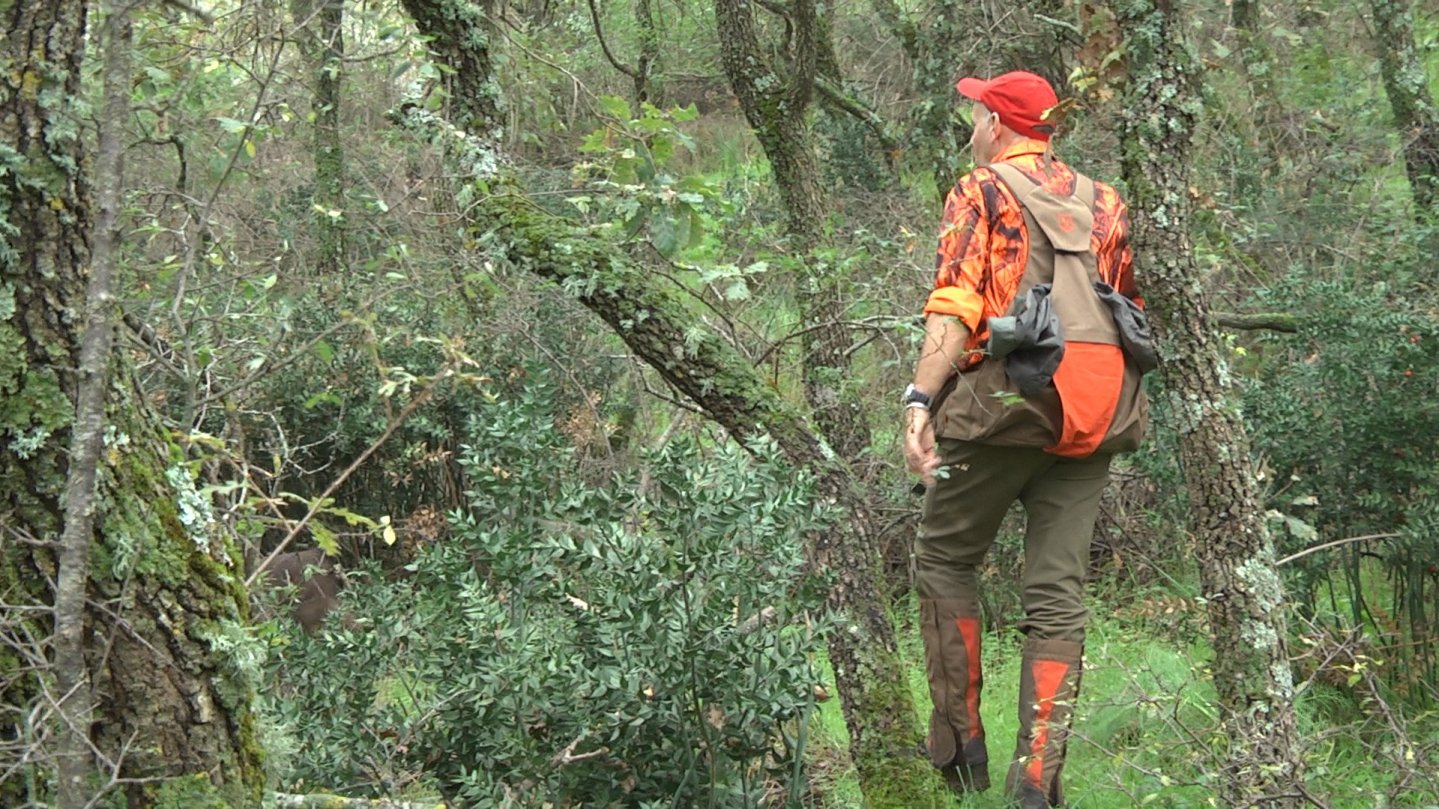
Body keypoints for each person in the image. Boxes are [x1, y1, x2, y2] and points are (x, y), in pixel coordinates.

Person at [900, 70, 1148, 807]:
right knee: (1058, 594)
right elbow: (1121, 299)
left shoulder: (979, 189)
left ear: (999, 125)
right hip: (1096, 410)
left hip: (1004, 408)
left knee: (944, 554)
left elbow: (955, 301)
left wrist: (920, 397)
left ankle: (958, 747)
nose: (970, 123)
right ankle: (1037, 781)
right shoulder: (1103, 199)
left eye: (976, 111)